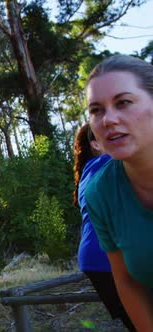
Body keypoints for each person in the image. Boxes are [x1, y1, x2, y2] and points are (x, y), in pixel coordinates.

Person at [84, 54, 153, 331]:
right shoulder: (100, 192)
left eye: (123, 102)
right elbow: (127, 282)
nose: (108, 119)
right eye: (96, 110)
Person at [73, 123, 134, 331]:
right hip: (109, 257)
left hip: (95, 259)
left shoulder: (88, 173)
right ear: (96, 144)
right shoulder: (110, 164)